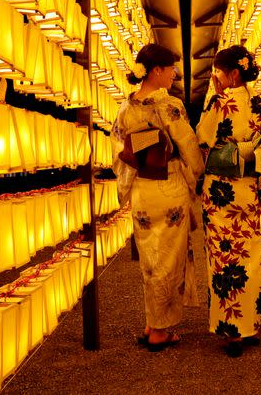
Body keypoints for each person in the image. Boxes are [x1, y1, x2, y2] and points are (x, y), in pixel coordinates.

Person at [110, 44, 204, 351]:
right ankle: (160, 332)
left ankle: (153, 322)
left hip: (141, 190)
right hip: (169, 185)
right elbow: (188, 143)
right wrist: (199, 169)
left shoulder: (125, 108)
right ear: (156, 71)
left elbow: (119, 152)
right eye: (171, 68)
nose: (175, 73)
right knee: (168, 258)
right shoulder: (168, 106)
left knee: (150, 259)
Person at [196, 45, 261, 357]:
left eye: (218, 72)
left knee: (222, 263)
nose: (215, 78)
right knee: (250, 260)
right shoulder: (259, 104)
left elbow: (202, 137)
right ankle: (251, 327)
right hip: (247, 192)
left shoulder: (217, 104)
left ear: (232, 73)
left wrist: (217, 100)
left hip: (219, 193)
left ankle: (232, 332)